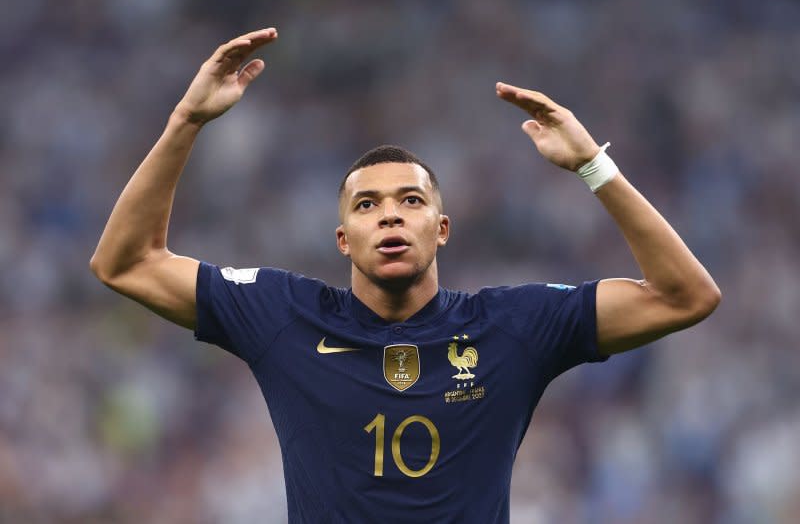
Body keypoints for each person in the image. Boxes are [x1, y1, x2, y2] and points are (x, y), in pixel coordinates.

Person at [90, 28, 721, 523]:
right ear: (343, 240)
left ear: (441, 229)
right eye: (367, 205)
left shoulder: (511, 327)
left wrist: (592, 166)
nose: (390, 214)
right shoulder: (284, 315)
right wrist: (185, 122)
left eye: (411, 201)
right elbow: (124, 262)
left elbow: (685, 295)